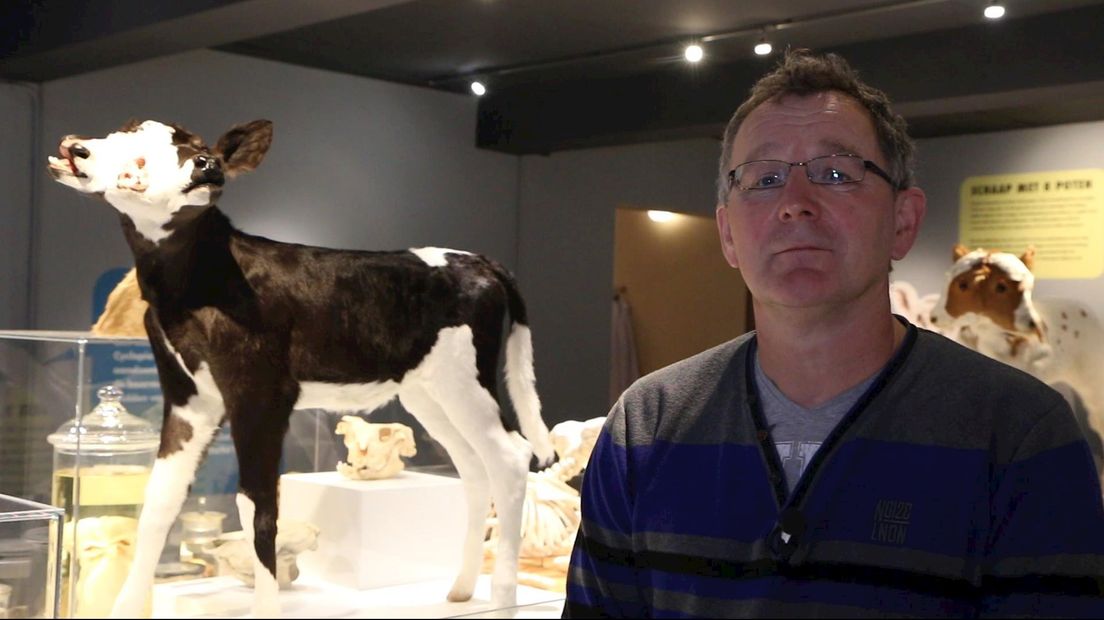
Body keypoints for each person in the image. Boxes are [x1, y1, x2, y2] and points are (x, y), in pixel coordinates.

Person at [563, 49, 1104, 618]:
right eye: (764, 178)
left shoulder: (1020, 436)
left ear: (903, 222)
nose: (795, 204)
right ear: (728, 234)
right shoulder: (646, 426)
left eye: (838, 173)